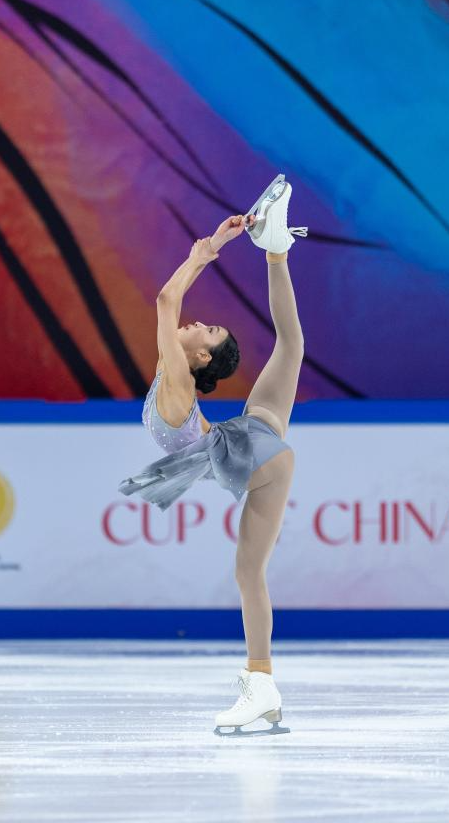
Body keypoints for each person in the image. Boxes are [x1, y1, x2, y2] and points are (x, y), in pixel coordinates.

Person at [119, 173, 307, 734]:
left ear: (200, 359)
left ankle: (261, 683)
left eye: (207, 330)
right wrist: (216, 246)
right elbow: (169, 304)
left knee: (249, 571)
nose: (197, 324)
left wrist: (206, 251)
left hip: (258, 458)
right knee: (292, 346)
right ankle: (276, 250)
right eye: (205, 326)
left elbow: (165, 298)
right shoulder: (172, 370)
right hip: (250, 437)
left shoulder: (177, 379)